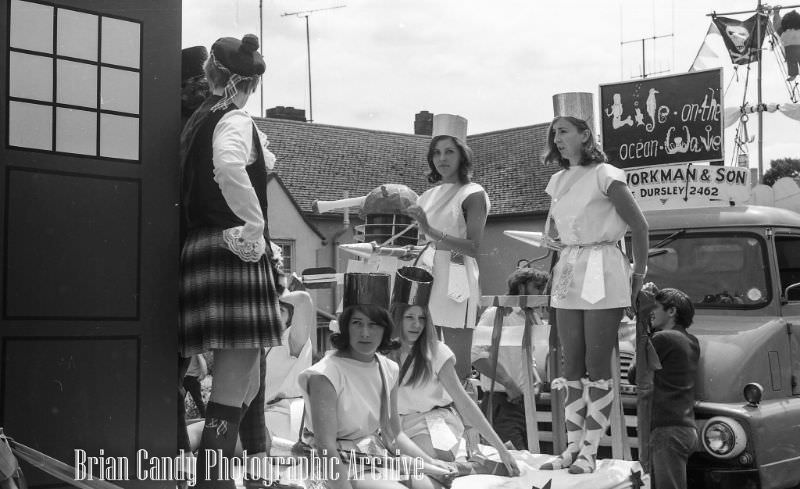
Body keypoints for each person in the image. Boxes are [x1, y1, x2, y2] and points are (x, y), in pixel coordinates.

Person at [178, 34, 283, 489]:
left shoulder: (199, 119)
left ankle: (215, 478)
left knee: (248, 386)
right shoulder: (235, 119)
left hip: (202, 248)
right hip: (232, 249)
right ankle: (213, 484)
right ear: (251, 83)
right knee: (231, 388)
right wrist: (255, 225)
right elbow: (228, 165)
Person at [538, 114, 648, 474]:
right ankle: (571, 448)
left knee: (597, 366)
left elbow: (639, 226)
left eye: (564, 131)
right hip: (570, 268)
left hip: (603, 266)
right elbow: (558, 232)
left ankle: (590, 451)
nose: (557, 138)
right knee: (572, 364)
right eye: (554, 132)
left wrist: (638, 274)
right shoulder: (557, 180)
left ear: (585, 135)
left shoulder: (607, 174)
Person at [297, 272, 456, 489]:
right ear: (345, 326)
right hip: (338, 464)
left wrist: (429, 462)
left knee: (429, 486)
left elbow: (394, 433)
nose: (365, 333)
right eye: (357, 323)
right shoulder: (325, 374)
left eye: (373, 325)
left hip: (374, 454)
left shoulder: (388, 368)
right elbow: (326, 446)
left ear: (385, 328)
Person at [387, 267, 520, 477]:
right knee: (393, 464)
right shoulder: (382, 354)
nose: (416, 324)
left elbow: (464, 401)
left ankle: (473, 466)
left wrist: (501, 449)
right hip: (394, 426)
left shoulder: (437, 351)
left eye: (421, 318)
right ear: (396, 318)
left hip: (434, 421)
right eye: (409, 317)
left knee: (421, 462)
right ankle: (468, 467)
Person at [404, 115, 489, 334]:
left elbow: (473, 247)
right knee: (426, 352)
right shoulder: (425, 197)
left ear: (462, 155)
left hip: (457, 273)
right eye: (437, 152)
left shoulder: (473, 193)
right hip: (425, 274)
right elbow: (422, 242)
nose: (442, 158)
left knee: (455, 356)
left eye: (449, 151)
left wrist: (430, 231)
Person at [629, 287, 700, 489]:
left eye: (656, 307)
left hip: (666, 431)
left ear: (672, 311)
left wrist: (642, 336)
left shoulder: (663, 339)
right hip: (684, 428)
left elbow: (635, 374)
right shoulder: (691, 340)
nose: (651, 312)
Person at [471, 267, 549, 451]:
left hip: (525, 405)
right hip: (502, 402)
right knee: (515, 461)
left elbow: (530, 360)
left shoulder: (533, 317)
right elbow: (476, 355)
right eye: (537, 287)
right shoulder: (496, 313)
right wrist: (509, 384)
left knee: (525, 461)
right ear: (521, 288)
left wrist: (536, 382)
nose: (542, 293)